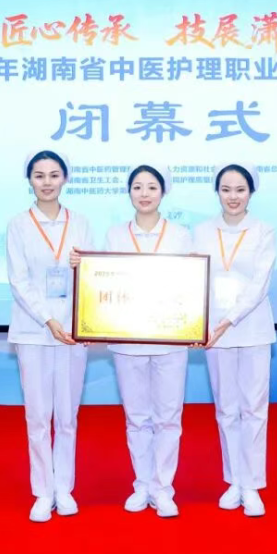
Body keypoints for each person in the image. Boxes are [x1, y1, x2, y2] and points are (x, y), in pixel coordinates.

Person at [69, 164, 191, 518]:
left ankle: (163, 488)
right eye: (137, 186)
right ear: (129, 192)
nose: (144, 193)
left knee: (168, 417)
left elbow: (190, 284)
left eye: (152, 186)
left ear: (163, 192)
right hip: (127, 340)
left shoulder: (180, 235)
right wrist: (83, 267)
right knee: (137, 417)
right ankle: (142, 485)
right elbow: (104, 283)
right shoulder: (115, 234)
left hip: (170, 338)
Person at [6, 149, 94, 523]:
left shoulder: (81, 223)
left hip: (73, 330)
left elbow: (94, 276)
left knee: (67, 414)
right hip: (34, 331)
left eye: (54, 175)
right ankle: (43, 491)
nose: (47, 182)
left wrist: (83, 267)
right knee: (39, 416)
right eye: (39, 175)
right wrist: (47, 319)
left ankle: (64, 488)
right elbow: (19, 281)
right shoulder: (18, 225)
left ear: (65, 179)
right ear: (29, 180)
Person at [191, 163, 276, 517]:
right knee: (226, 408)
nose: (233, 197)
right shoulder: (201, 231)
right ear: (217, 192)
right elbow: (193, 279)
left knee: (253, 408)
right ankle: (234, 481)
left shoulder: (263, 231)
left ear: (251, 192)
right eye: (226, 189)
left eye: (240, 189)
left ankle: (252, 485)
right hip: (214, 332)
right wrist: (201, 324)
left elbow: (260, 284)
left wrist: (228, 319)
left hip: (252, 328)